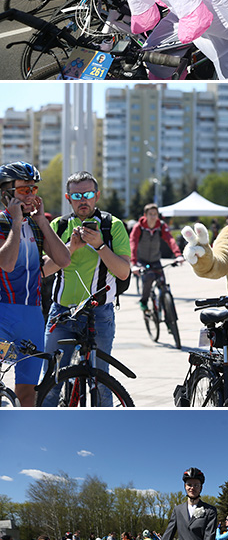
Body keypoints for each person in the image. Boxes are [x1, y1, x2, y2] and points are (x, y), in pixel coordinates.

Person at [41, 171, 131, 406]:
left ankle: (103, 434)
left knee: (101, 381)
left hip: (99, 314)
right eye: (77, 195)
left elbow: (123, 272)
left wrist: (100, 245)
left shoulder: (113, 226)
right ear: (68, 198)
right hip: (61, 313)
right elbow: (43, 271)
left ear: (97, 196)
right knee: (51, 381)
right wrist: (70, 248)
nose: (83, 200)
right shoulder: (58, 226)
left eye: (88, 194)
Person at [0, 161, 70, 407]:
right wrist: (16, 224)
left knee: (28, 393)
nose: (31, 195)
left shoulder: (37, 226)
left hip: (32, 316)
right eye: (24, 190)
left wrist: (41, 222)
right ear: (6, 194)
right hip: (3, 316)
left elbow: (63, 260)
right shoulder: (2, 223)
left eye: (34, 189)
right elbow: (6, 264)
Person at [130, 201, 181, 311]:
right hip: (142, 260)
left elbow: (170, 239)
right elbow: (133, 243)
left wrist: (178, 255)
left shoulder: (161, 226)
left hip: (155, 260)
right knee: (148, 278)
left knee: (163, 283)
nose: (153, 216)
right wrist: (133, 263)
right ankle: (144, 301)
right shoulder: (139, 227)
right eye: (150, 214)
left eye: (155, 214)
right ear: (145, 215)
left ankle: (168, 313)